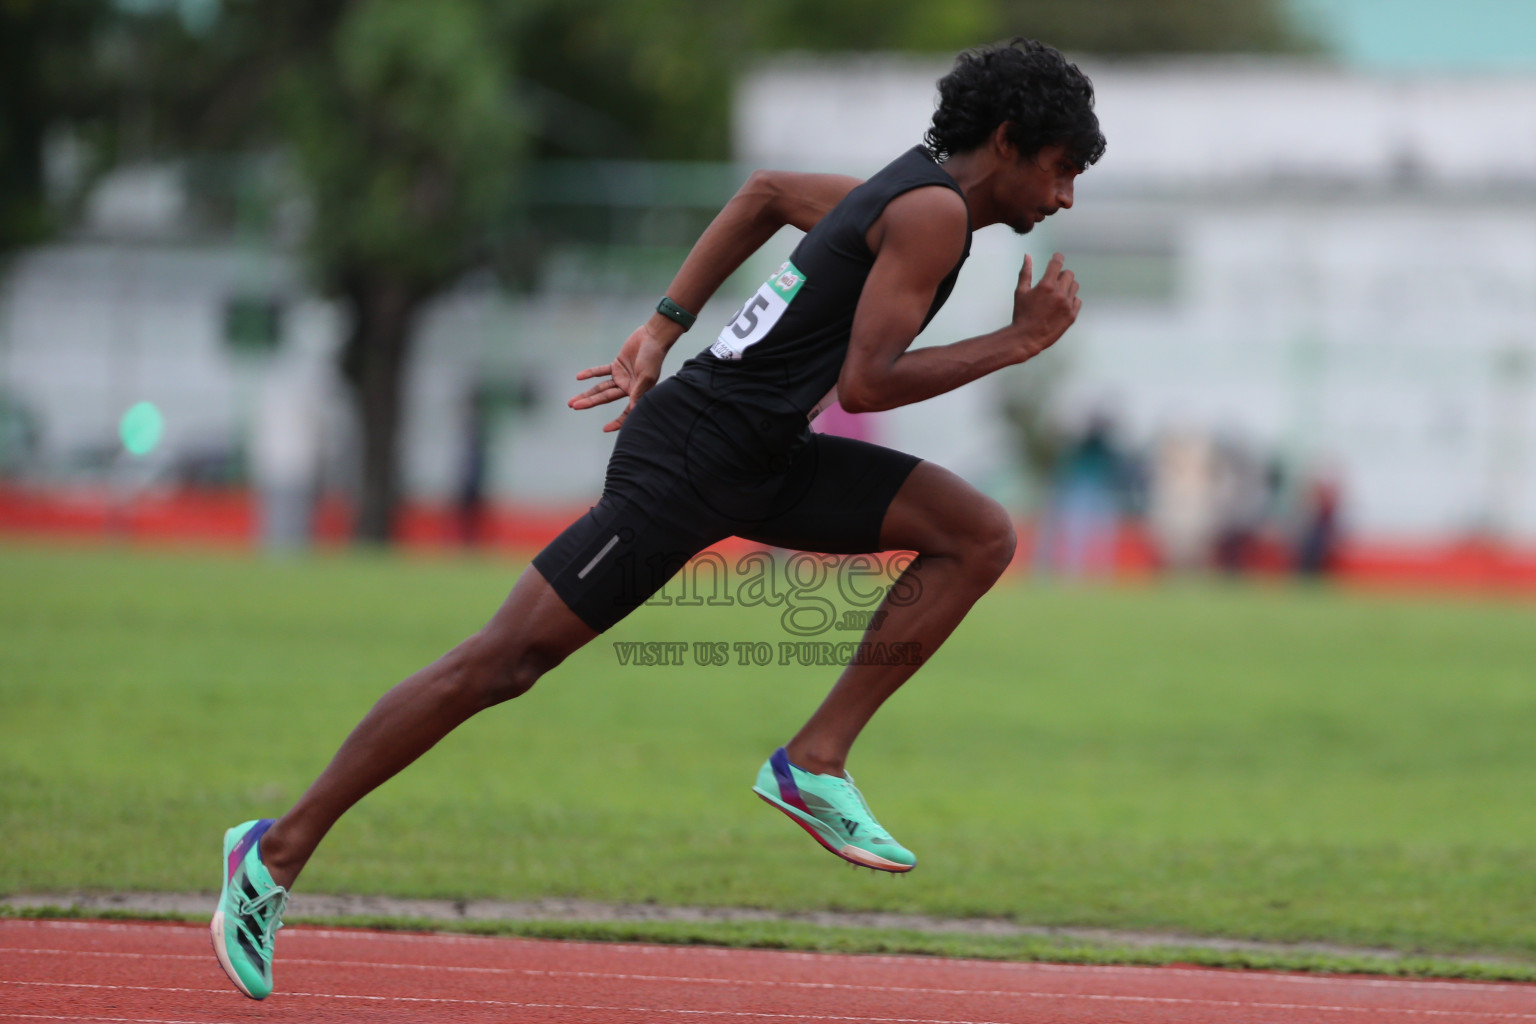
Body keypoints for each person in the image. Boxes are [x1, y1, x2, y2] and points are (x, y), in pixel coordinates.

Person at [211, 37, 1105, 1000]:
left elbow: (763, 193)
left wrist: (662, 327)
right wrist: (1016, 342)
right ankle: (274, 850)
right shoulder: (929, 213)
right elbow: (868, 379)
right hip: (693, 459)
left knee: (979, 533)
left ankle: (814, 760)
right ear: (1009, 141)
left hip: (762, 460)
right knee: (502, 662)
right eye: (1060, 171)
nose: (1061, 199)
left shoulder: (899, 195)